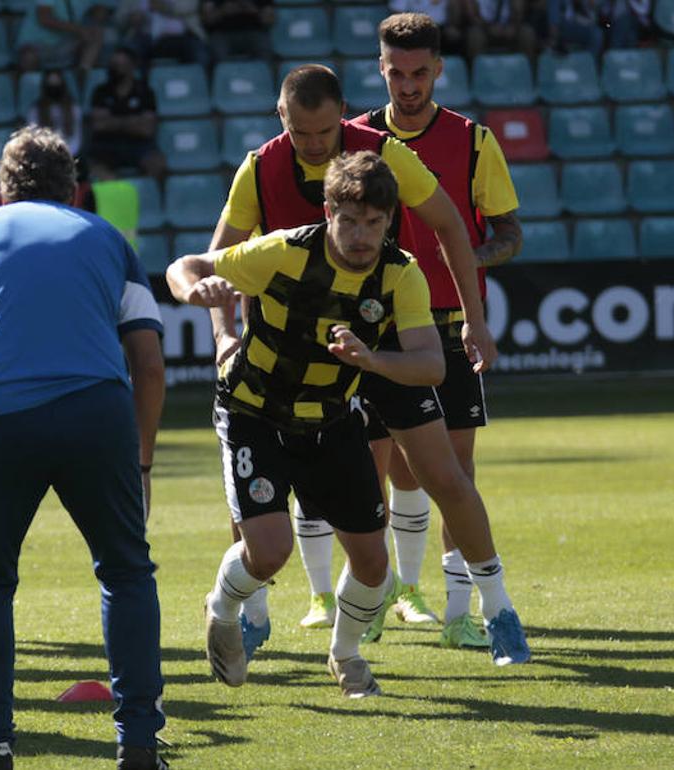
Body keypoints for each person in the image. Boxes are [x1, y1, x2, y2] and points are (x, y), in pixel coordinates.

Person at [201, 64, 502, 655]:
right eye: (301, 133)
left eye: (323, 131)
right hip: (282, 351)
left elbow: (449, 224)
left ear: (342, 114)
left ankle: (484, 606)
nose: (313, 145)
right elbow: (217, 260)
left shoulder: (382, 158)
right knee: (260, 490)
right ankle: (254, 608)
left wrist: (473, 318)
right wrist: (222, 335)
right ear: (281, 117)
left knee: (439, 470)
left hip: (375, 338)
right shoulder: (260, 167)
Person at [0, 127, 168, 770]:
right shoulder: (106, 237)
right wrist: (141, 455)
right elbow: (149, 360)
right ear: (74, 187)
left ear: (0, 188)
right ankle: (137, 742)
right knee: (127, 573)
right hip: (96, 413)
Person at [168, 151, 445, 697]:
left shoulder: (401, 275)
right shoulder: (285, 251)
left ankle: (344, 655)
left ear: (390, 221)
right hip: (253, 412)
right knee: (269, 552)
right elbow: (189, 265)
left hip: (332, 420)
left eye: (374, 222)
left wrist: (371, 361)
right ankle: (222, 608)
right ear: (328, 210)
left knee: (374, 568)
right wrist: (195, 292)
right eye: (348, 220)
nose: (361, 235)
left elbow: (431, 365)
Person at [348, 12, 526, 653]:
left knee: (455, 475)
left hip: (448, 328)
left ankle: (459, 609)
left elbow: (507, 232)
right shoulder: (357, 137)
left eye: (420, 72)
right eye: (397, 73)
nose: (408, 85)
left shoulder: (473, 141)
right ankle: (370, 597)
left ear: (439, 71)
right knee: (366, 473)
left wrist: (461, 260)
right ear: (381, 70)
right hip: (373, 327)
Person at [87, 47, 165, 180]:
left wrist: (113, 122)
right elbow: (99, 125)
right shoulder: (100, 91)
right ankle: (119, 197)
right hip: (107, 145)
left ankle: (149, 197)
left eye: (121, 65)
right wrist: (134, 122)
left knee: (158, 164)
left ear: (132, 67)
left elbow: (147, 129)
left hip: (139, 145)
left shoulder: (145, 92)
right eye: (113, 64)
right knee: (95, 168)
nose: (115, 68)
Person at [15, 0, 104, 73]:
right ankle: (30, 86)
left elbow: (98, 12)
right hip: (36, 45)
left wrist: (97, 16)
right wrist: (79, 30)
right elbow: (44, 18)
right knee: (29, 57)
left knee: (96, 33)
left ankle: (83, 75)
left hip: (64, 45)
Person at [24, 68, 83, 157]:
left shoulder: (74, 108)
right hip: (44, 157)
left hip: (69, 156)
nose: (54, 87)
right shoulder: (35, 110)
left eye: (56, 83)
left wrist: (65, 154)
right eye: (51, 84)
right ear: (45, 86)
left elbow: (76, 139)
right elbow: (34, 138)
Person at [200, 0, 275, 61]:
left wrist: (252, 10)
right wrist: (223, 11)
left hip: (253, 32)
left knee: (264, 48)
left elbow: (269, 20)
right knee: (217, 52)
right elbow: (208, 20)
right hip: (222, 33)